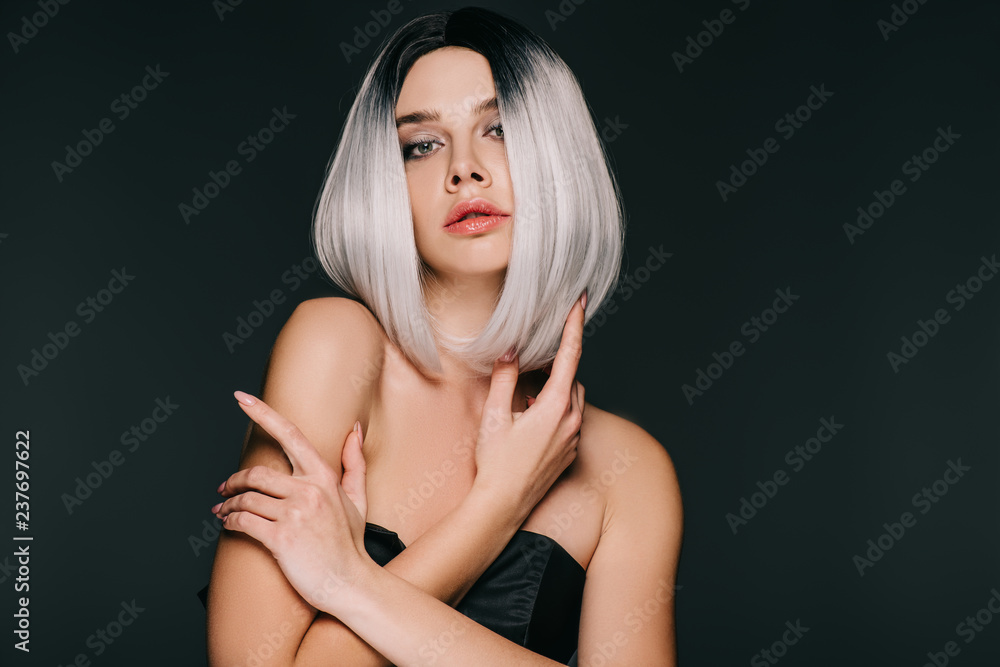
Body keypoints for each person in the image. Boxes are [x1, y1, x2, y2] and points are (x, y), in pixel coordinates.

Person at [205, 7, 682, 666]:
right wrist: (497, 505)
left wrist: (348, 582)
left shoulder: (629, 471)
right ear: (385, 185)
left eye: (500, 129)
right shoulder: (334, 346)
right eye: (422, 144)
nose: (464, 169)